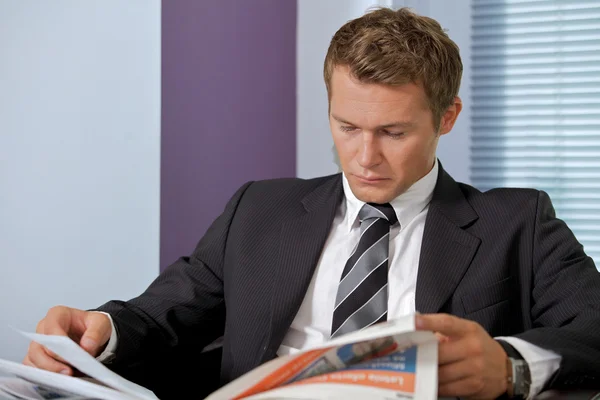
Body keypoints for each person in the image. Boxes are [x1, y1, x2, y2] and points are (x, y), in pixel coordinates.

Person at [23, 7, 600, 399]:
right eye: (347, 126)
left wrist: (511, 366)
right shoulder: (259, 210)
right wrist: (98, 327)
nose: (365, 157)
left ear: (447, 117)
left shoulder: (518, 223)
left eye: (393, 133)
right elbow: (162, 316)